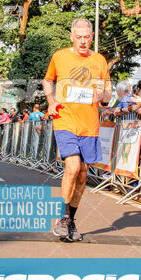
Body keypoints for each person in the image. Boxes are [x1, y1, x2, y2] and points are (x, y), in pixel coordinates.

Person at [43, 18, 111, 241]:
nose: (83, 41)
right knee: (72, 166)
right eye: (78, 37)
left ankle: (70, 220)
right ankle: (62, 219)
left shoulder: (100, 60)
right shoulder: (59, 56)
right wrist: (51, 101)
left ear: (92, 37)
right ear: (71, 36)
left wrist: (105, 95)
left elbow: (107, 95)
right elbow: (47, 81)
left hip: (89, 125)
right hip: (65, 120)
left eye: (86, 37)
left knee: (83, 173)